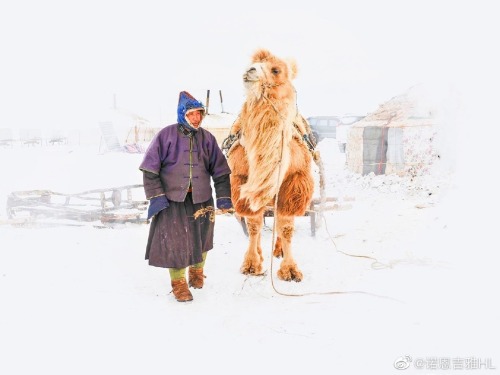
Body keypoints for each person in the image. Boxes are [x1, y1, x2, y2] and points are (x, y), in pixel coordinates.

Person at [139, 91, 233, 302]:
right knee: (176, 242)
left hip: (202, 199)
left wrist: (224, 197)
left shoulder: (207, 139)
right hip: (173, 200)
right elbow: (150, 170)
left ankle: (197, 272)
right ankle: (179, 282)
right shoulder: (166, 136)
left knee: (203, 238)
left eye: (199, 114)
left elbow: (220, 170)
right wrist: (157, 196)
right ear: (183, 115)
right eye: (192, 114)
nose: (197, 118)